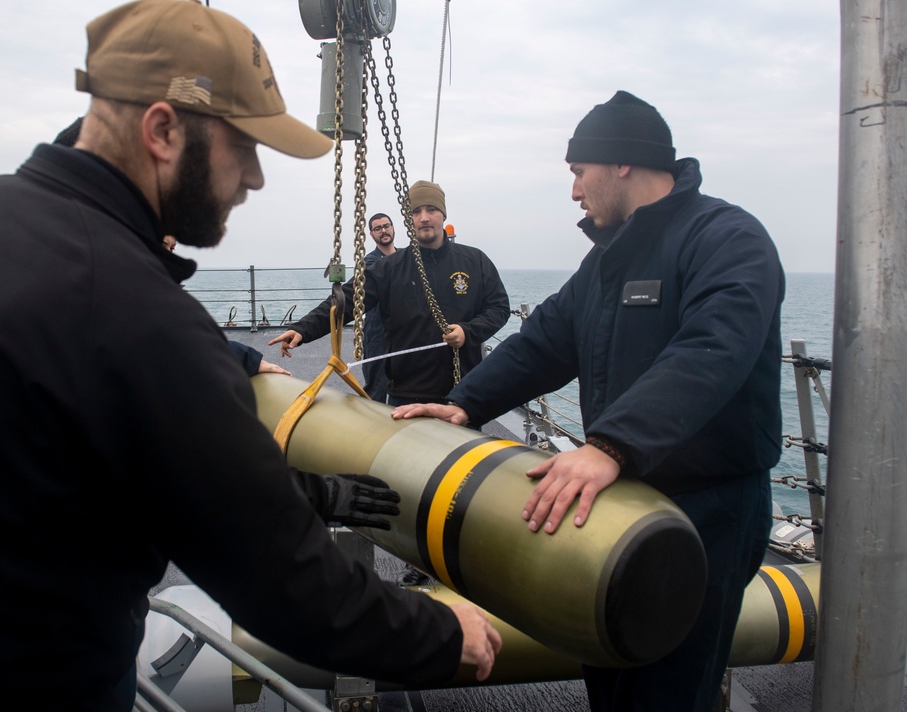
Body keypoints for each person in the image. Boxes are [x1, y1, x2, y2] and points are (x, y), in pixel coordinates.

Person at [0, 2, 501, 710]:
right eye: (243, 149)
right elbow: (282, 578)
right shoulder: (141, 318)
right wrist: (442, 632)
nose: (253, 179)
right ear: (162, 130)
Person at [393, 90, 784, 712]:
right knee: (608, 669)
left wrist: (609, 444)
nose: (574, 192)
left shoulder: (726, 238)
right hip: (620, 499)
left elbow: (713, 349)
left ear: (621, 162)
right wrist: (464, 404)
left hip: (707, 509)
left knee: (669, 688)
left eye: (578, 173)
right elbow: (545, 341)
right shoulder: (606, 261)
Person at [269, 180, 510, 407]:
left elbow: (498, 308)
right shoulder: (389, 267)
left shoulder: (474, 260)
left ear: (443, 215)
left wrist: (468, 332)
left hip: (463, 390)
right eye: (416, 212)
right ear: (408, 218)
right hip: (407, 392)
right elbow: (349, 299)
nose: (424, 218)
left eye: (431, 210)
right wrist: (303, 329)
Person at [362, 211, 398, 401]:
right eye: (378, 228)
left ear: (393, 228)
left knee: (401, 382)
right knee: (376, 384)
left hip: (402, 330)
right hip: (377, 331)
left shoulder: (405, 256)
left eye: (386, 226)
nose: (383, 231)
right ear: (372, 234)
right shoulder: (369, 262)